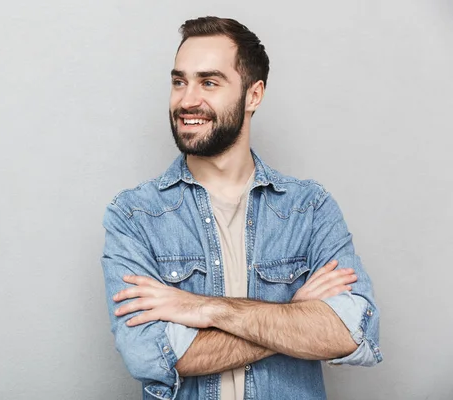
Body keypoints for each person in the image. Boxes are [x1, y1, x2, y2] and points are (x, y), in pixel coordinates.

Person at [101, 16, 382, 400]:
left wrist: (207, 310)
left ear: (253, 94)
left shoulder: (310, 208)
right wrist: (293, 313)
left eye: (209, 82)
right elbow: (149, 355)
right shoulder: (133, 216)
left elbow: (350, 332)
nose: (187, 99)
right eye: (179, 81)